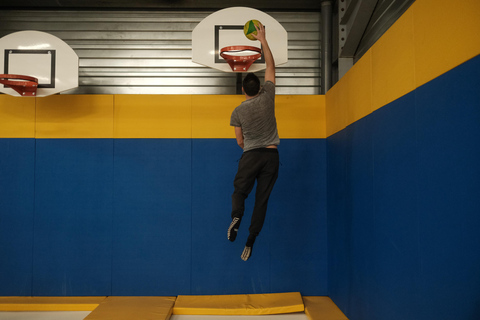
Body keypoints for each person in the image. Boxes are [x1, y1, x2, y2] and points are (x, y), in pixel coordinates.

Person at [227, 22, 280, 261]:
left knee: (240, 192)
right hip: (271, 156)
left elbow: (239, 141)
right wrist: (263, 39)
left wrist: (247, 144)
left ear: (243, 91)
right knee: (262, 200)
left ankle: (236, 216)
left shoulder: (238, 111)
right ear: (260, 87)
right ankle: (250, 239)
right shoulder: (268, 97)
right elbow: (270, 65)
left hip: (250, 155)